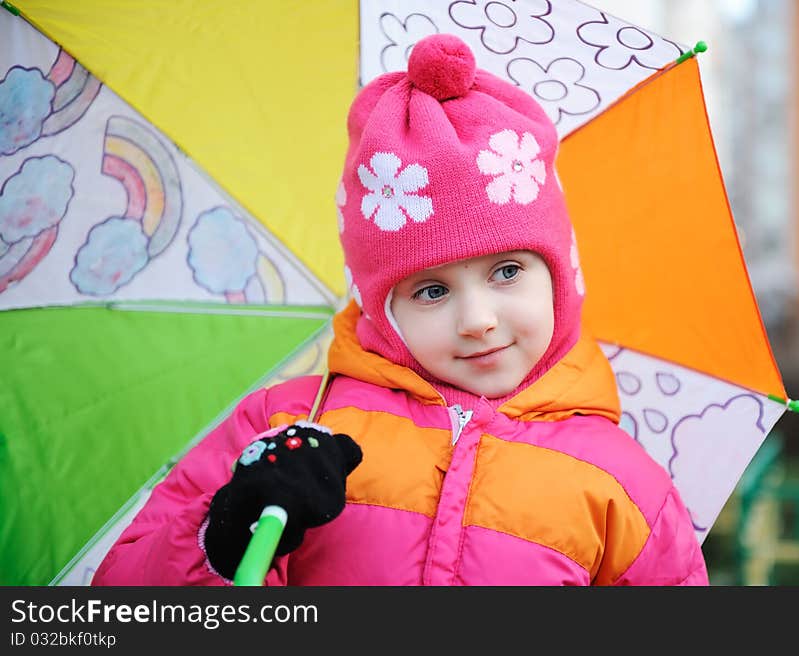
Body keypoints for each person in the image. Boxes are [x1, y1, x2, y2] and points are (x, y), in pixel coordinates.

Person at [92, 34, 708, 586]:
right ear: (382, 308)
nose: (477, 319)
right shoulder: (289, 426)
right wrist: (221, 542)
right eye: (431, 291)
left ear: (561, 277)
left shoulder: (624, 485)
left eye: (507, 272)